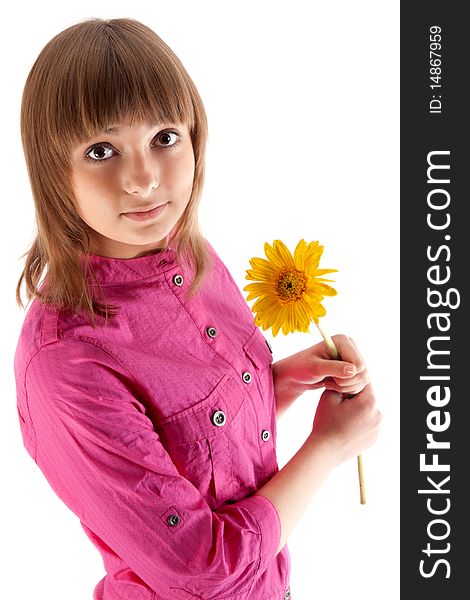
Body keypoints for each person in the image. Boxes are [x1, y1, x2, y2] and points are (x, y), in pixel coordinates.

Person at [14, 17, 381, 600]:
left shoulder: (190, 254)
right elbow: (203, 570)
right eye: (101, 149)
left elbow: (192, 445)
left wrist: (280, 382)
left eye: (165, 137)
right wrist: (329, 447)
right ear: (53, 170)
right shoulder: (67, 363)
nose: (143, 179)